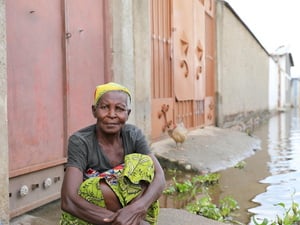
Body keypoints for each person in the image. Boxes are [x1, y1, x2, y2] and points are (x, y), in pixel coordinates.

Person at [60, 82, 166, 225]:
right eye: (104, 107)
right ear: (94, 111)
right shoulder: (80, 141)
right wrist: (118, 221)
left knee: (144, 164)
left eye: (119, 109)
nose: (111, 115)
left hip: (131, 211)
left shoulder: (133, 135)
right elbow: (69, 200)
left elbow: (159, 177)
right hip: (91, 216)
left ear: (128, 114)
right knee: (99, 188)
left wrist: (137, 208)